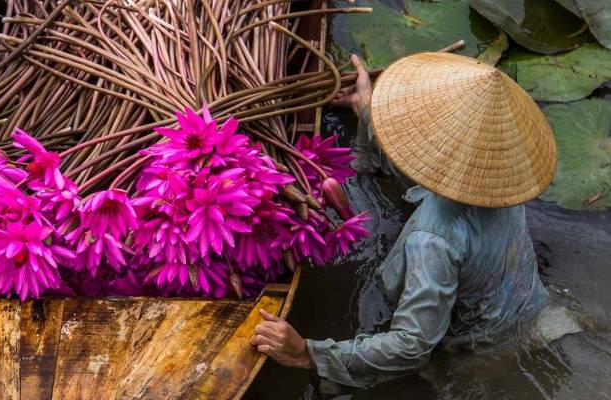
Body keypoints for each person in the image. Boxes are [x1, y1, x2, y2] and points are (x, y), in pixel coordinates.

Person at [250, 52, 583, 393]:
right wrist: (366, 109)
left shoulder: (431, 240)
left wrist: (309, 353)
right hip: (541, 319)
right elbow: (432, 177)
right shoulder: (504, 182)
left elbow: (412, 346)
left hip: (476, 356)